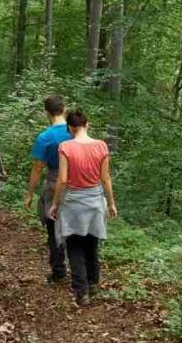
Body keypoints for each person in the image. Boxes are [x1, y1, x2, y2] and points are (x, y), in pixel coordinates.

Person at [49, 110, 117, 307]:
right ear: (87, 124)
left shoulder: (65, 147)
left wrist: (55, 203)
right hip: (95, 201)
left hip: (73, 203)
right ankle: (93, 283)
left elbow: (62, 180)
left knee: (75, 246)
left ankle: (81, 292)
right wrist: (111, 203)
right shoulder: (101, 146)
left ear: (70, 128)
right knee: (91, 242)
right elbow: (105, 178)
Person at [24, 95, 73, 283]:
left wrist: (29, 193)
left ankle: (59, 271)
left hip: (54, 182)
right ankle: (80, 270)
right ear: (64, 109)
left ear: (47, 112)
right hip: (78, 184)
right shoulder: (75, 131)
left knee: (54, 227)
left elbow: (37, 168)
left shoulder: (45, 137)